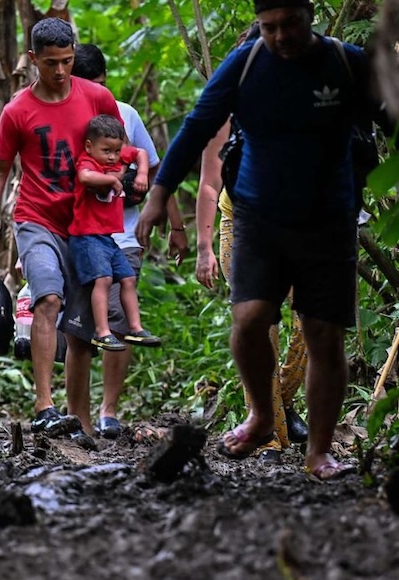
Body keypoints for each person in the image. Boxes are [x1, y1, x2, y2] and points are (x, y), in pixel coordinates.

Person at [137, 0, 385, 480]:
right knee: (249, 320)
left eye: (289, 23)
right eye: (269, 27)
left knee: (323, 335)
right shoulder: (247, 62)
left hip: (328, 218)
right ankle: (260, 414)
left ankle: (318, 452)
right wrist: (159, 194)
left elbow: (391, 117)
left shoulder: (344, 61)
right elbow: (197, 126)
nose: (280, 36)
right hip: (257, 216)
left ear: (308, 14)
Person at [0, 18, 123, 442]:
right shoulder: (18, 111)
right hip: (36, 219)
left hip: (86, 226)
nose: (62, 71)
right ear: (33, 60)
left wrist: (132, 177)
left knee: (81, 328)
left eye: (68, 61)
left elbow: (117, 150)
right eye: (51, 63)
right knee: (48, 298)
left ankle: (79, 421)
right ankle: (44, 407)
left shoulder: (98, 98)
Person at [69, 43, 187, 439]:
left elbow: (155, 171)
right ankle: (78, 415)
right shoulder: (64, 120)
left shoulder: (126, 115)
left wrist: (177, 226)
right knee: (80, 326)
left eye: (99, 86)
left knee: (119, 322)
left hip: (122, 234)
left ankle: (109, 410)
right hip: (79, 234)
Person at [197, 121, 309, 464]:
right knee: (261, 331)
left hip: (301, 225)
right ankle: (268, 438)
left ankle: (282, 400)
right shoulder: (229, 110)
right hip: (243, 225)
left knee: (311, 322)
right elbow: (208, 183)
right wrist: (204, 247)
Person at [70, 114, 160, 352]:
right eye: (106, 150)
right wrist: (113, 179)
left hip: (108, 238)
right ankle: (102, 331)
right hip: (87, 236)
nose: (112, 156)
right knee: (104, 279)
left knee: (127, 278)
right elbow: (84, 176)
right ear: (90, 146)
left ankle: (135, 327)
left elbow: (140, 153)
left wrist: (141, 174)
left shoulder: (117, 155)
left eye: (116, 151)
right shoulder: (88, 161)